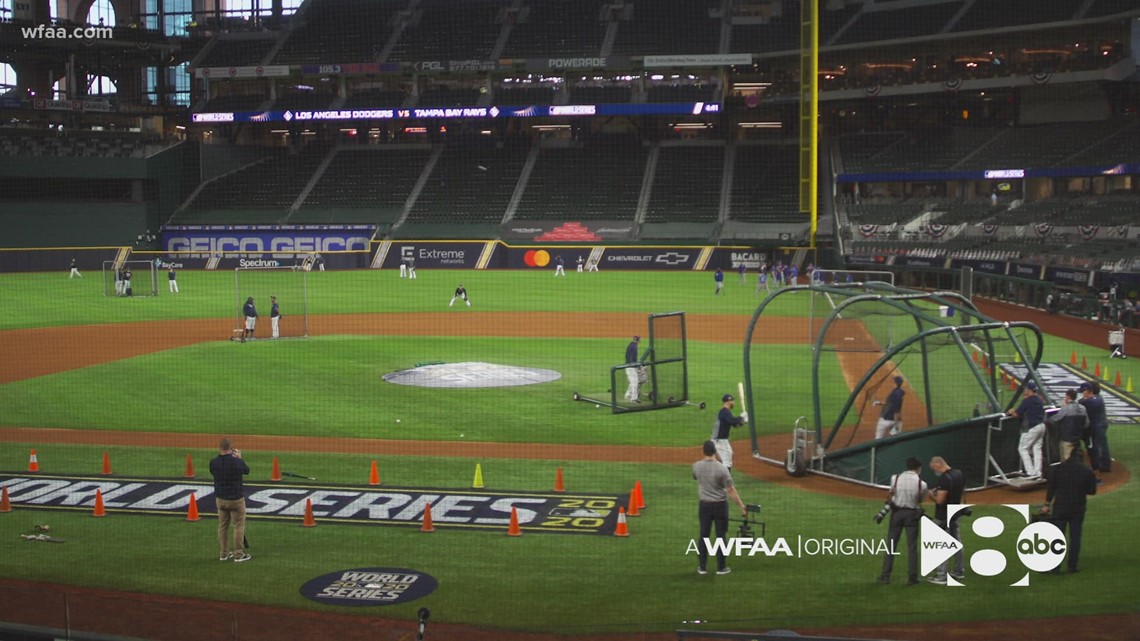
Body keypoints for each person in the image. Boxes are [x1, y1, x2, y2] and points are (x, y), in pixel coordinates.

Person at [692, 440, 748, 576]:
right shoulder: (722, 468)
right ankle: (721, 568)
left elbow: (695, 477)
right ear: (715, 451)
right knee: (721, 536)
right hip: (720, 506)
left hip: (704, 506)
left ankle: (702, 567)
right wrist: (741, 506)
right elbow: (730, 490)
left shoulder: (696, 466)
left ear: (703, 451)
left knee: (703, 536)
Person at [1041, 447, 1096, 574]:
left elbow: (1051, 489)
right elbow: (1092, 491)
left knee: (1057, 537)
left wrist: (1047, 504)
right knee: (1075, 537)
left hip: (1060, 507)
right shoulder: (1086, 471)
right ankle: (1072, 566)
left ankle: (1055, 567)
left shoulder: (1058, 468)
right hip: (1077, 508)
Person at [877, 457, 928, 586]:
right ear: (918, 468)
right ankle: (912, 578)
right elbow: (920, 499)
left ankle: (885, 576)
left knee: (891, 545)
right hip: (912, 514)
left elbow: (892, 494)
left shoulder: (895, 478)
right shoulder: (921, 483)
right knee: (912, 547)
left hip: (896, 513)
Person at [209, 437, 251, 562]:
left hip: (221, 499)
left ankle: (223, 553)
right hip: (236, 499)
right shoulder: (236, 462)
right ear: (231, 448)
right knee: (238, 526)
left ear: (220, 448)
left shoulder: (213, 462)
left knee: (222, 526)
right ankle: (238, 554)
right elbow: (247, 471)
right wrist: (239, 458)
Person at [926, 456, 966, 584]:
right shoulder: (958, 473)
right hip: (956, 513)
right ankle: (959, 571)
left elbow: (940, 500)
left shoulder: (944, 478)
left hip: (943, 516)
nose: (935, 471)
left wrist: (931, 495)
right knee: (957, 542)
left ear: (938, 465)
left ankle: (941, 575)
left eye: (934, 468)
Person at [1007, 381, 1046, 479]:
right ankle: (1038, 473)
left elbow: (1017, 414)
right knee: (1037, 449)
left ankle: (1031, 473)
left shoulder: (1027, 401)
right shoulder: (1039, 399)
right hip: (1041, 426)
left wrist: (1011, 411)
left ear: (1029, 390)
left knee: (1023, 449)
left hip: (1032, 428)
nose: (1024, 390)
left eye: (1026, 389)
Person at [1078, 382, 1109, 478]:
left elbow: (1081, 402)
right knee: (1103, 445)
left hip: (1096, 427)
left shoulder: (1091, 401)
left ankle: (1099, 467)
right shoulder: (1098, 397)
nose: (1082, 393)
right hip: (1102, 424)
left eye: (1084, 391)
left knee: (1096, 446)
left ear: (1089, 391)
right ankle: (1105, 465)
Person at [1048, 389, 1088, 463]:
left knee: (1066, 461)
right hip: (1077, 439)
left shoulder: (1066, 408)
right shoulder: (1083, 408)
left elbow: (1055, 419)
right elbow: (1086, 424)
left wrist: (1046, 419)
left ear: (1067, 397)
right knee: (1076, 458)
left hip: (1067, 439)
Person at [710, 393, 748, 470]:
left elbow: (735, 425)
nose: (734, 402)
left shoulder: (725, 412)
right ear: (728, 401)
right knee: (727, 463)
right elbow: (733, 421)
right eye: (732, 401)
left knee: (729, 454)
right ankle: (725, 479)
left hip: (718, 440)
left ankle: (716, 468)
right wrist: (741, 416)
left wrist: (743, 420)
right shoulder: (725, 412)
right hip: (720, 441)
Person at [623, 336, 641, 403]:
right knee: (635, 382)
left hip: (628, 366)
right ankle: (633, 399)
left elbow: (627, 356)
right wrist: (633, 364)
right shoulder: (634, 347)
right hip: (631, 367)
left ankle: (628, 395)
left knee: (633, 382)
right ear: (638, 341)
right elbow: (630, 357)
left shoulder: (630, 345)